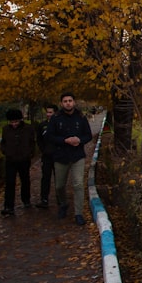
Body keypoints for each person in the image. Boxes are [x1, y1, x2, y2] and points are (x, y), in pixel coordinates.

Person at [48, 92, 93, 225]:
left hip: (77, 155)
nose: (68, 103)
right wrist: (64, 140)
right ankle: (63, 204)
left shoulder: (81, 117)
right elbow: (50, 136)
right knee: (59, 185)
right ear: (62, 103)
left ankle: (78, 213)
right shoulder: (56, 118)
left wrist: (79, 140)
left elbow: (88, 135)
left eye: (70, 100)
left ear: (74, 102)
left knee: (78, 184)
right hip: (61, 156)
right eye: (65, 101)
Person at [0, 108, 35, 215]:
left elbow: (32, 142)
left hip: (24, 159)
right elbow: (3, 142)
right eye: (12, 122)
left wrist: (29, 153)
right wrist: (5, 151)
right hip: (10, 160)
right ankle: (8, 206)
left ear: (20, 120)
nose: (14, 124)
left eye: (16, 121)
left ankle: (26, 199)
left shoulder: (28, 129)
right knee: (10, 183)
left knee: (25, 180)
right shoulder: (6, 129)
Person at [34, 103, 58, 208]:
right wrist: (43, 150)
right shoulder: (42, 125)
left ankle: (60, 199)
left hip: (58, 156)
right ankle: (44, 199)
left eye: (50, 112)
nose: (48, 114)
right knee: (45, 178)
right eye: (47, 112)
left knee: (59, 179)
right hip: (47, 156)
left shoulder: (59, 124)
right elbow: (39, 139)